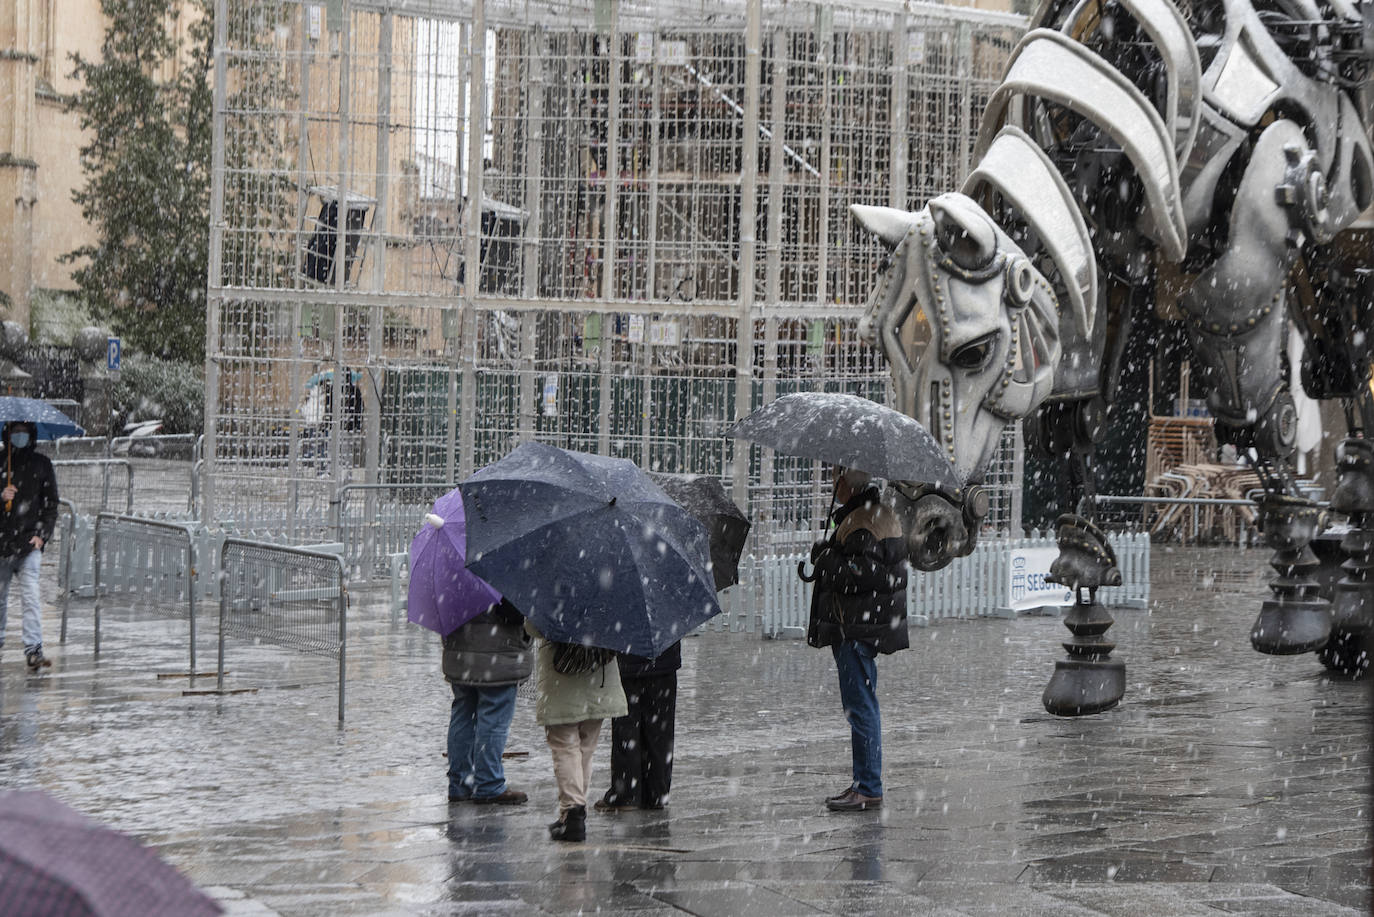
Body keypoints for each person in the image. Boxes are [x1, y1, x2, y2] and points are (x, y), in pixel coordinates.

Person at [806, 465, 909, 812]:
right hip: (863, 624)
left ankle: (868, 786)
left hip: (854, 626)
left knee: (860, 705)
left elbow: (862, 574)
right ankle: (864, 782)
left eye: (835, 479)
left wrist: (826, 557)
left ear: (847, 485)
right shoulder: (871, 515)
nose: (831, 485)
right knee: (863, 703)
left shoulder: (862, 522)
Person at [526, 621, 627, 842]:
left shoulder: (553, 590)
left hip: (561, 679)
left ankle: (572, 812)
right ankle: (576, 811)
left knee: (565, 746)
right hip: (600, 676)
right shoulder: (610, 595)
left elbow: (533, 628)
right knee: (585, 748)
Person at [443, 598, 532, 805]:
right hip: (499, 651)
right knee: (493, 716)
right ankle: (488, 784)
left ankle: (459, 783)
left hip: (459, 649)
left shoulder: (452, 566)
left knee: (463, 713)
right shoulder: (501, 568)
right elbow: (515, 612)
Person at [594, 640, 681, 812]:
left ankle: (626, 794)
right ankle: (657, 792)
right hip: (663, 660)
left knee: (626, 729)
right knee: (660, 731)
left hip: (628, 662)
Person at [0, 421, 59, 671]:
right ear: (7, 434)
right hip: (1, 544)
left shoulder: (42, 464)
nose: (20, 436)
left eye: (24, 432)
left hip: (28, 545)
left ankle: (34, 649)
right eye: (15, 432)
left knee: (31, 597)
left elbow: (51, 505)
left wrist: (41, 536)